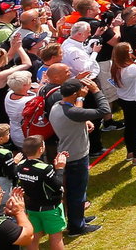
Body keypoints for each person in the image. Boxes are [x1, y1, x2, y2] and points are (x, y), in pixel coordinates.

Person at [45, 80, 106, 236]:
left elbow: (76, 113)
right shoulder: (73, 112)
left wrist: (84, 119)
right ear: (74, 94)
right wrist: (96, 90)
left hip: (68, 153)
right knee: (77, 192)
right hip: (76, 157)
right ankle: (77, 227)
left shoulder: (57, 105)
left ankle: (78, 218)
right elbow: (104, 110)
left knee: (75, 191)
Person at [14, 137, 65, 250]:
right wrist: (60, 168)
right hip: (50, 208)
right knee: (56, 236)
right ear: (41, 149)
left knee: (34, 236)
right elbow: (57, 185)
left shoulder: (20, 165)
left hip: (31, 208)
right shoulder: (45, 168)